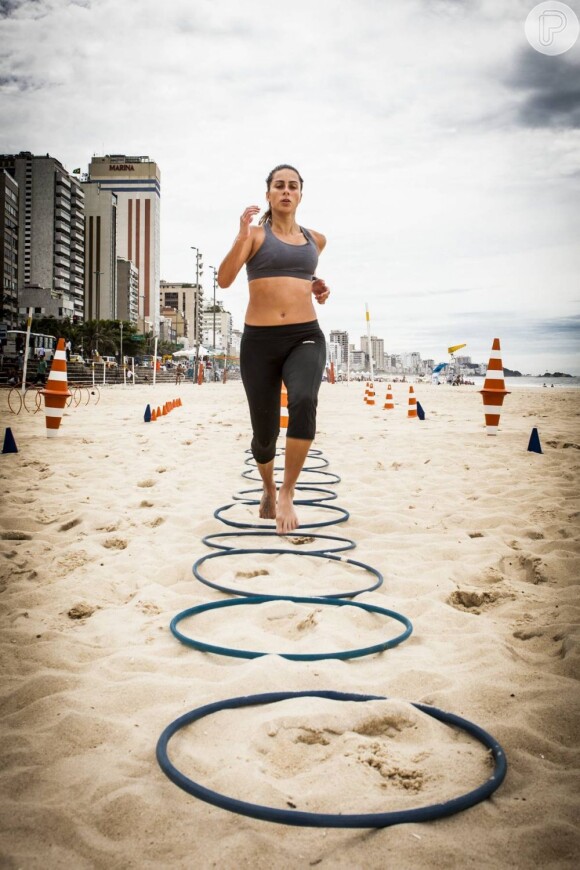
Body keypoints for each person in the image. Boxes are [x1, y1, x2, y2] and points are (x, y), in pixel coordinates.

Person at [218, 163, 330, 534]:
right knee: (264, 434)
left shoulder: (317, 240)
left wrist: (316, 286)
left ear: (300, 194)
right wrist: (239, 236)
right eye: (279, 186)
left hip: (305, 335)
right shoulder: (254, 235)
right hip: (259, 342)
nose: (286, 191)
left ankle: (287, 491)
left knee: (303, 400)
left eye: (292, 186)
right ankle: (267, 487)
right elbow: (225, 278)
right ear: (268, 194)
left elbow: (297, 274)